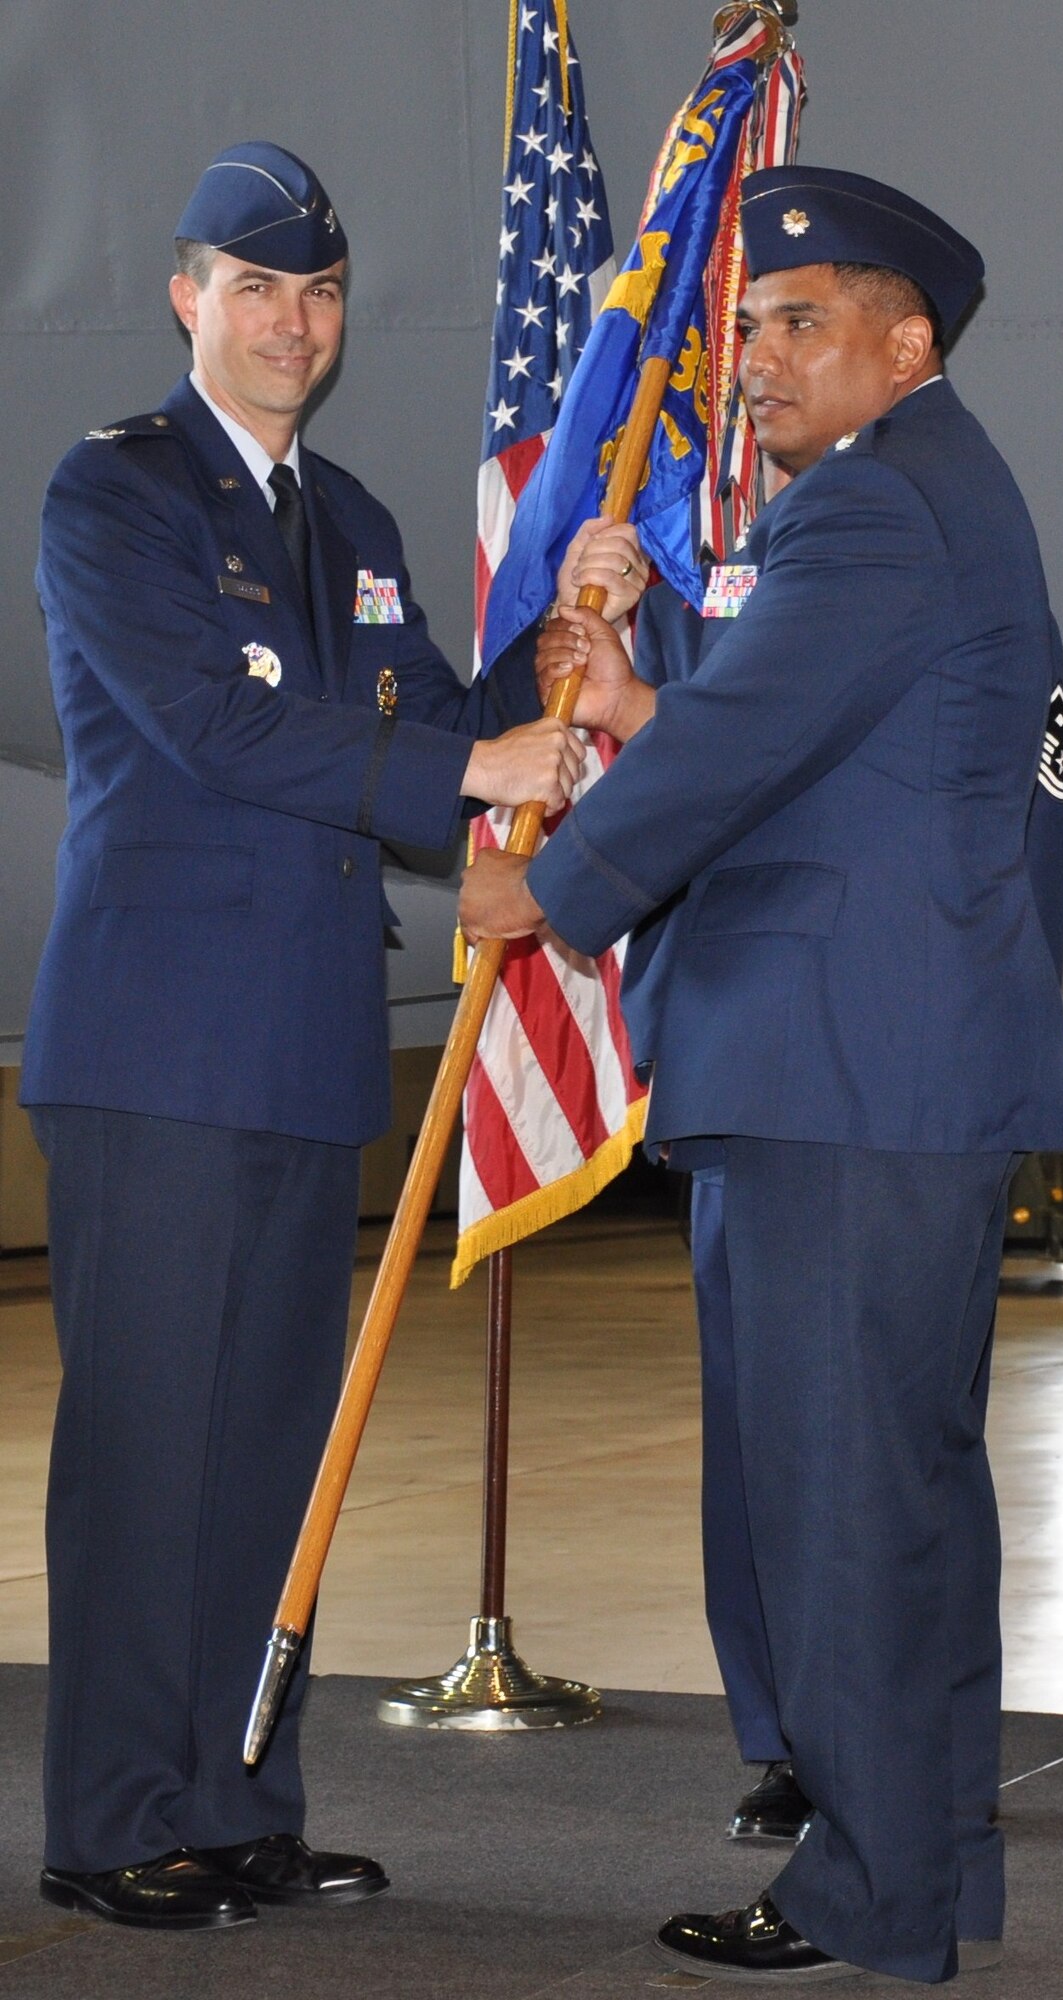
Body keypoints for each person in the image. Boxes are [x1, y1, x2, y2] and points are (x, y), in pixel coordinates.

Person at [460, 164, 1063, 1983]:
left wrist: (547, 887)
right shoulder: (923, 502)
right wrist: (648, 707)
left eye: (802, 325)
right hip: (890, 1073)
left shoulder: (875, 513)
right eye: (745, 326)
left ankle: (872, 1899)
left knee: (844, 1507)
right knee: (904, 1501)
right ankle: (931, 1866)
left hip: (842, 1087)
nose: (755, 360)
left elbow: (736, 763)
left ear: (907, 347)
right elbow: (805, 746)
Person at [20, 137, 643, 1933]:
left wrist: (559, 633)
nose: (295, 323)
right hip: (158, 1048)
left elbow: (438, 725)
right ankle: (116, 1814)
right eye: (258, 287)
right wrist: (469, 760)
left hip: (300, 1050)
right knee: (152, 1451)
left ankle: (234, 1801)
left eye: (321, 292)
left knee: (275, 1447)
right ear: (186, 299)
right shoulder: (114, 497)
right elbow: (221, 731)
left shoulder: (354, 526)